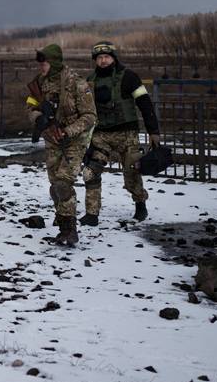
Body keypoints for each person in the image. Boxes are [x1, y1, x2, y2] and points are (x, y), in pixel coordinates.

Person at [80, 41, 160, 226]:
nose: (103, 61)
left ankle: (140, 204)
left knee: (132, 173)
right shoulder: (89, 81)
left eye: (107, 57)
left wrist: (153, 131)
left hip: (127, 134)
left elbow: (145, 104)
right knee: (90, 172)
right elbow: (83, 109)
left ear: (114, 58)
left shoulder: (129, 77)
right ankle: (92, 214)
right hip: (101, 136)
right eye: (99, 58)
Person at [26, 44, 97, 246]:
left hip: (75, 140)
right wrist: (38, 117)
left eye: (44, 63)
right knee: (54, 187)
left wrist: (69, 131)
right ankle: (63, 223)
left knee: (63, 184)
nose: (41, 67)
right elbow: (30, 106)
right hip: (52, 140)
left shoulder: (76, 83)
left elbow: (90, 116)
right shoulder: (39, 83)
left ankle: (69, 230)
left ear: (55, 63)